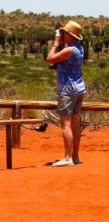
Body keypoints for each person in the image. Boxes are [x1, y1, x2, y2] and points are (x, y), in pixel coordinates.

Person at [46, 20, 86, 167]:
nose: (63, 35)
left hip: (67, 90)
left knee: (66, 124)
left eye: (65, 33)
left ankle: (67, 158)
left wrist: (56, 43)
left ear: (70, 35)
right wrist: (62, 42)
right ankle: (75, 156)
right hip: (79, 88)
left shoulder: (69, 50)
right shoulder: (79, 48)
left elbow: (49, 59)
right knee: (75, 123)